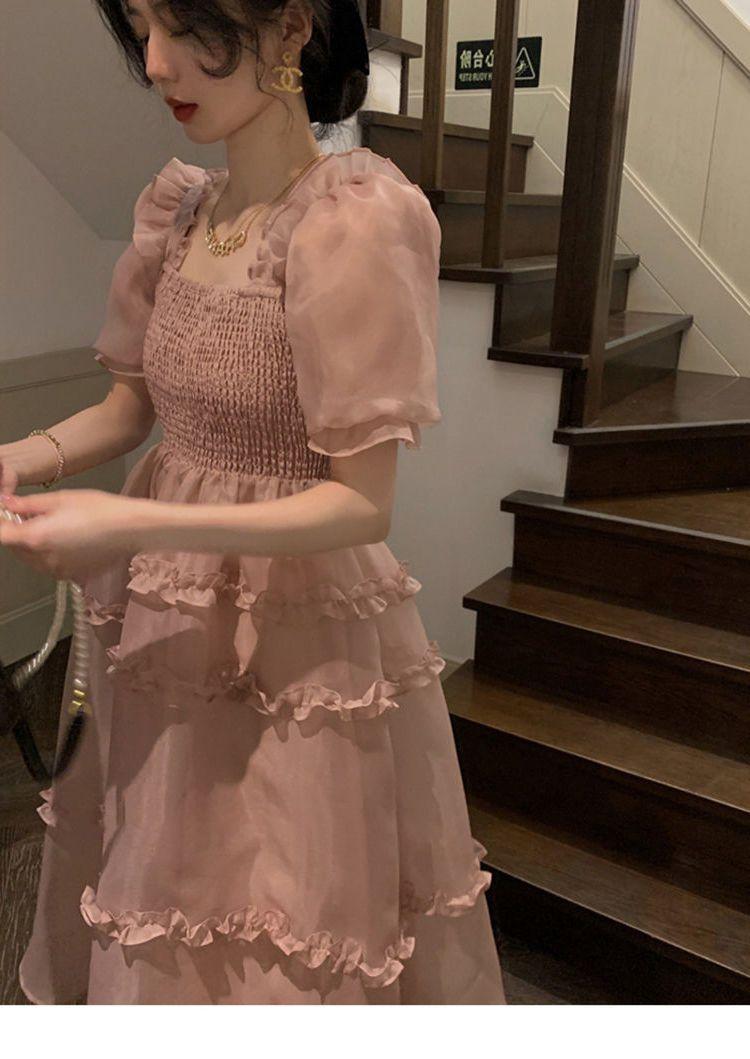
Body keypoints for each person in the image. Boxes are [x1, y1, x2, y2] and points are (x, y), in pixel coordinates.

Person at [0, 0, 506, 1004]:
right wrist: (21, 456)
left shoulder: (354, 221)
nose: (155, 63)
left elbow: (361, 505)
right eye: (140, 26)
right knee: (163, 864)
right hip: (169, 618)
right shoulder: (180, 213)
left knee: (284, 896)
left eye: (184, 25)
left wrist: (134, 521)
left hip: (298, 630)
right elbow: (131, 408)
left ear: (290, 28)